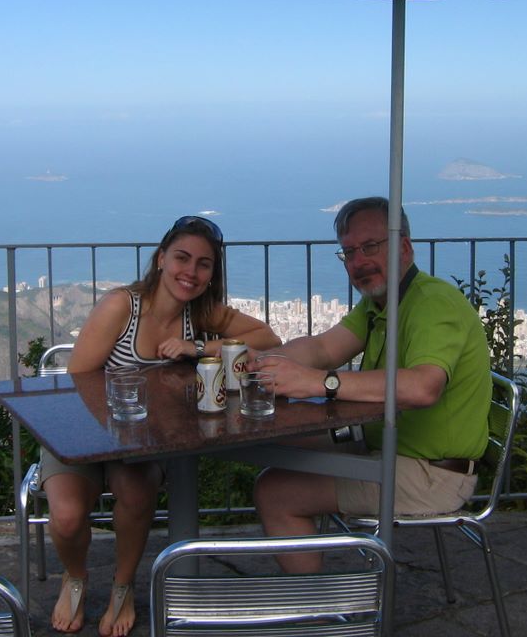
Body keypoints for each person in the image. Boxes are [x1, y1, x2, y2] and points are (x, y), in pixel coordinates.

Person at [46, 215, 280, 635]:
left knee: (136, 497)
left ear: (211, 275)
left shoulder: (202, 314)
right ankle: (75, 575)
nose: (190, 272)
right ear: (160, 259)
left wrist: (199, 346)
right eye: (182, 258)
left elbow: (268, 338)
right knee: (66, 516)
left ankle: (122, 586)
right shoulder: (122, 306)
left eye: (203, 264)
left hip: (141, 442)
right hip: (85, 431)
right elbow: (79, 382)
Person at [252, 196, 492, 573]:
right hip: (390, 447)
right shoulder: (382, 302)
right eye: (349, 252)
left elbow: (422, 388)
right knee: (280, 440)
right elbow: (323, 347)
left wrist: (319, 383)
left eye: (370, 247)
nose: (359, 261)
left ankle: (316, 609)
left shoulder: (433, 304)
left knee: (275, 490)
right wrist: (255, 363)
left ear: (405, 247)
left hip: (431, 474)